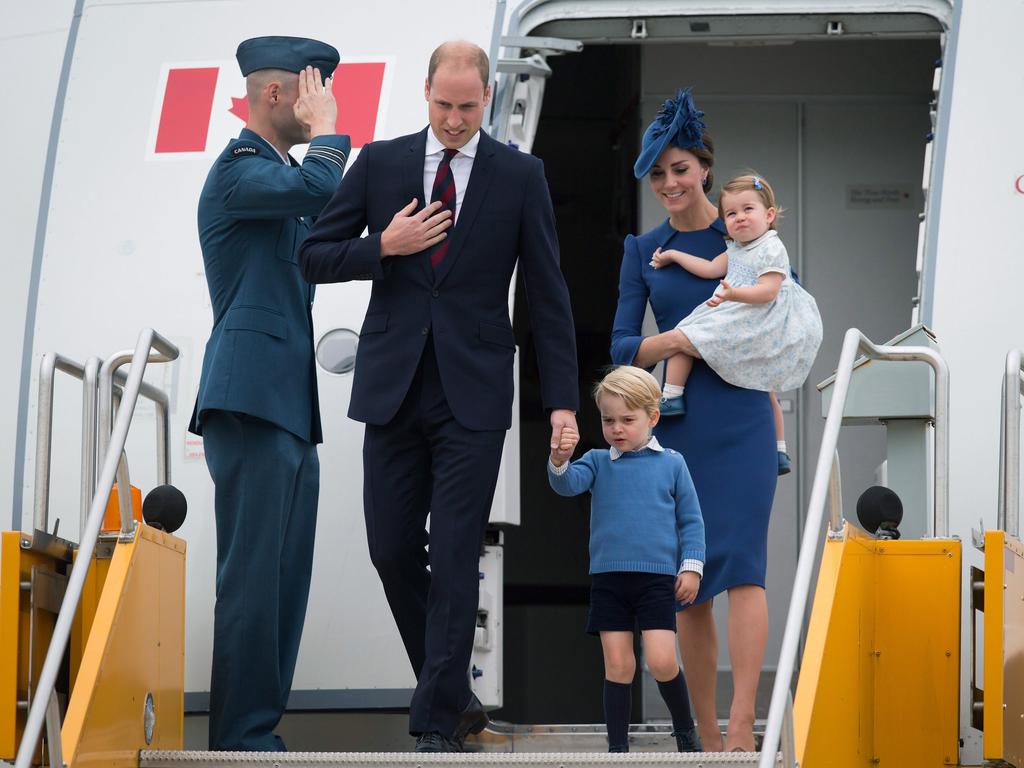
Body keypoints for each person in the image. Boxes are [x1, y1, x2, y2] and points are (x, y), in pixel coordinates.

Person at [297, 40, 579, 752]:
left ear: (487, 98)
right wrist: (382, 246)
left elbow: (548, 295)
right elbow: (312, 254)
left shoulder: (520, 175)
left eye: (468, 106)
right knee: (391, 548)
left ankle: (432, 724)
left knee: (455, 553)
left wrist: (565, 403)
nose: (455, 121)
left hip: (474, 394)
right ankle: (452, 694)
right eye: (444, 105)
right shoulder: (383, 162)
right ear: (425, 93)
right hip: (394, 386)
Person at [188, 35, 349, 751]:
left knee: (283, 585)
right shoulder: (239, 172)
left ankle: (257, 730)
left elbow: (323, 245)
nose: (320, 103)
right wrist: (331, 131)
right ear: (276, 94)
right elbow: (318, 188)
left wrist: (396, 243)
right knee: (253, 581)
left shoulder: (278, 182)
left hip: (286, 406)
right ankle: (242, 739)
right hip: (250, 399)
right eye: (311, 90)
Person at [610, 88, 775, 752]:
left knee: (746, 568)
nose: (669, 184)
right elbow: (625, 346)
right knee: (693, 582)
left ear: (704, 167)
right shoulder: (641, 249)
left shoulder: (744, 230)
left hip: (741, 418)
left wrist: (700, 340)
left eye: (679, 169)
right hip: (676, 427)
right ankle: (704, 731)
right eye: (657, 175)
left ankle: (742, 721)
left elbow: (784, 309)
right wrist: (681, 341)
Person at [547, 366, 704, 754]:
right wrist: (559, 458)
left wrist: (691, 567)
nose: (617, 428)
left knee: (663, 661)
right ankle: (617, 750)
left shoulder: (672, 463)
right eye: (608, 419)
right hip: (609, 580)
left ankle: (685, 732)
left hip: (656, 581)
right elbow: (566, 485)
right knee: (618, 666)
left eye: (627, 420)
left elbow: (692, 521)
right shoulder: (598, 461)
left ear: (653, 417)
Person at [651, 174, 823, 476]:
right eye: (731, 213)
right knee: (762, 386)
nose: (739, 218)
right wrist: (674, 256)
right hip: (747, 314)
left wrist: (733, 293)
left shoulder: (771, 248)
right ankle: (779, 450)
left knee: (686, 334)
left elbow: (768, 291)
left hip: (762, 318)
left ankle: (671, 395)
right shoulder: (736, 249)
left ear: (769, 216)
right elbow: (709, 269)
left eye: (748, 210)